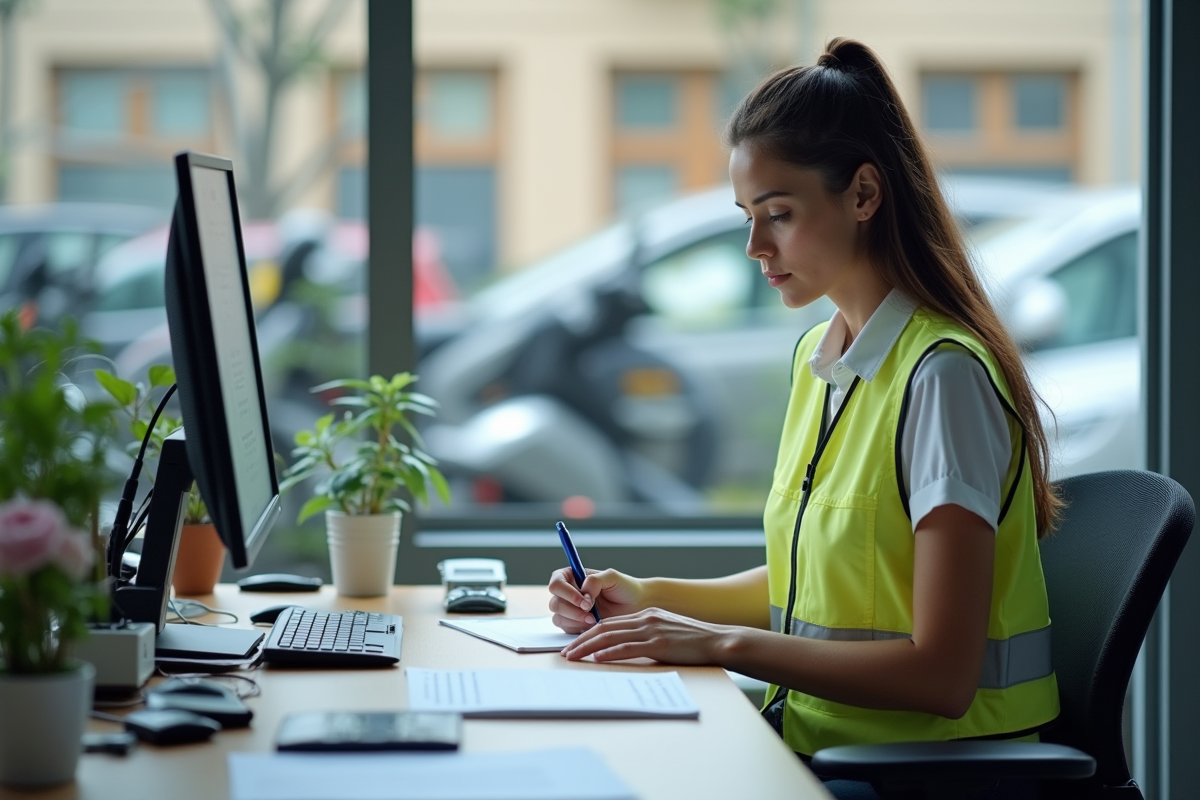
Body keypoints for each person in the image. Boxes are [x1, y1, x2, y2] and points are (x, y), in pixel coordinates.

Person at [547, 38, 1061, 799]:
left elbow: (944, 675)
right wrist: (650, 597)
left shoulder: (941, 377)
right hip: (826, 746)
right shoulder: (821, 362)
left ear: (862, 194)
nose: (755, 247)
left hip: (925, 773)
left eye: (779, 215)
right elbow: (810, 592)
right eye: (747, 217)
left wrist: (715, 643)